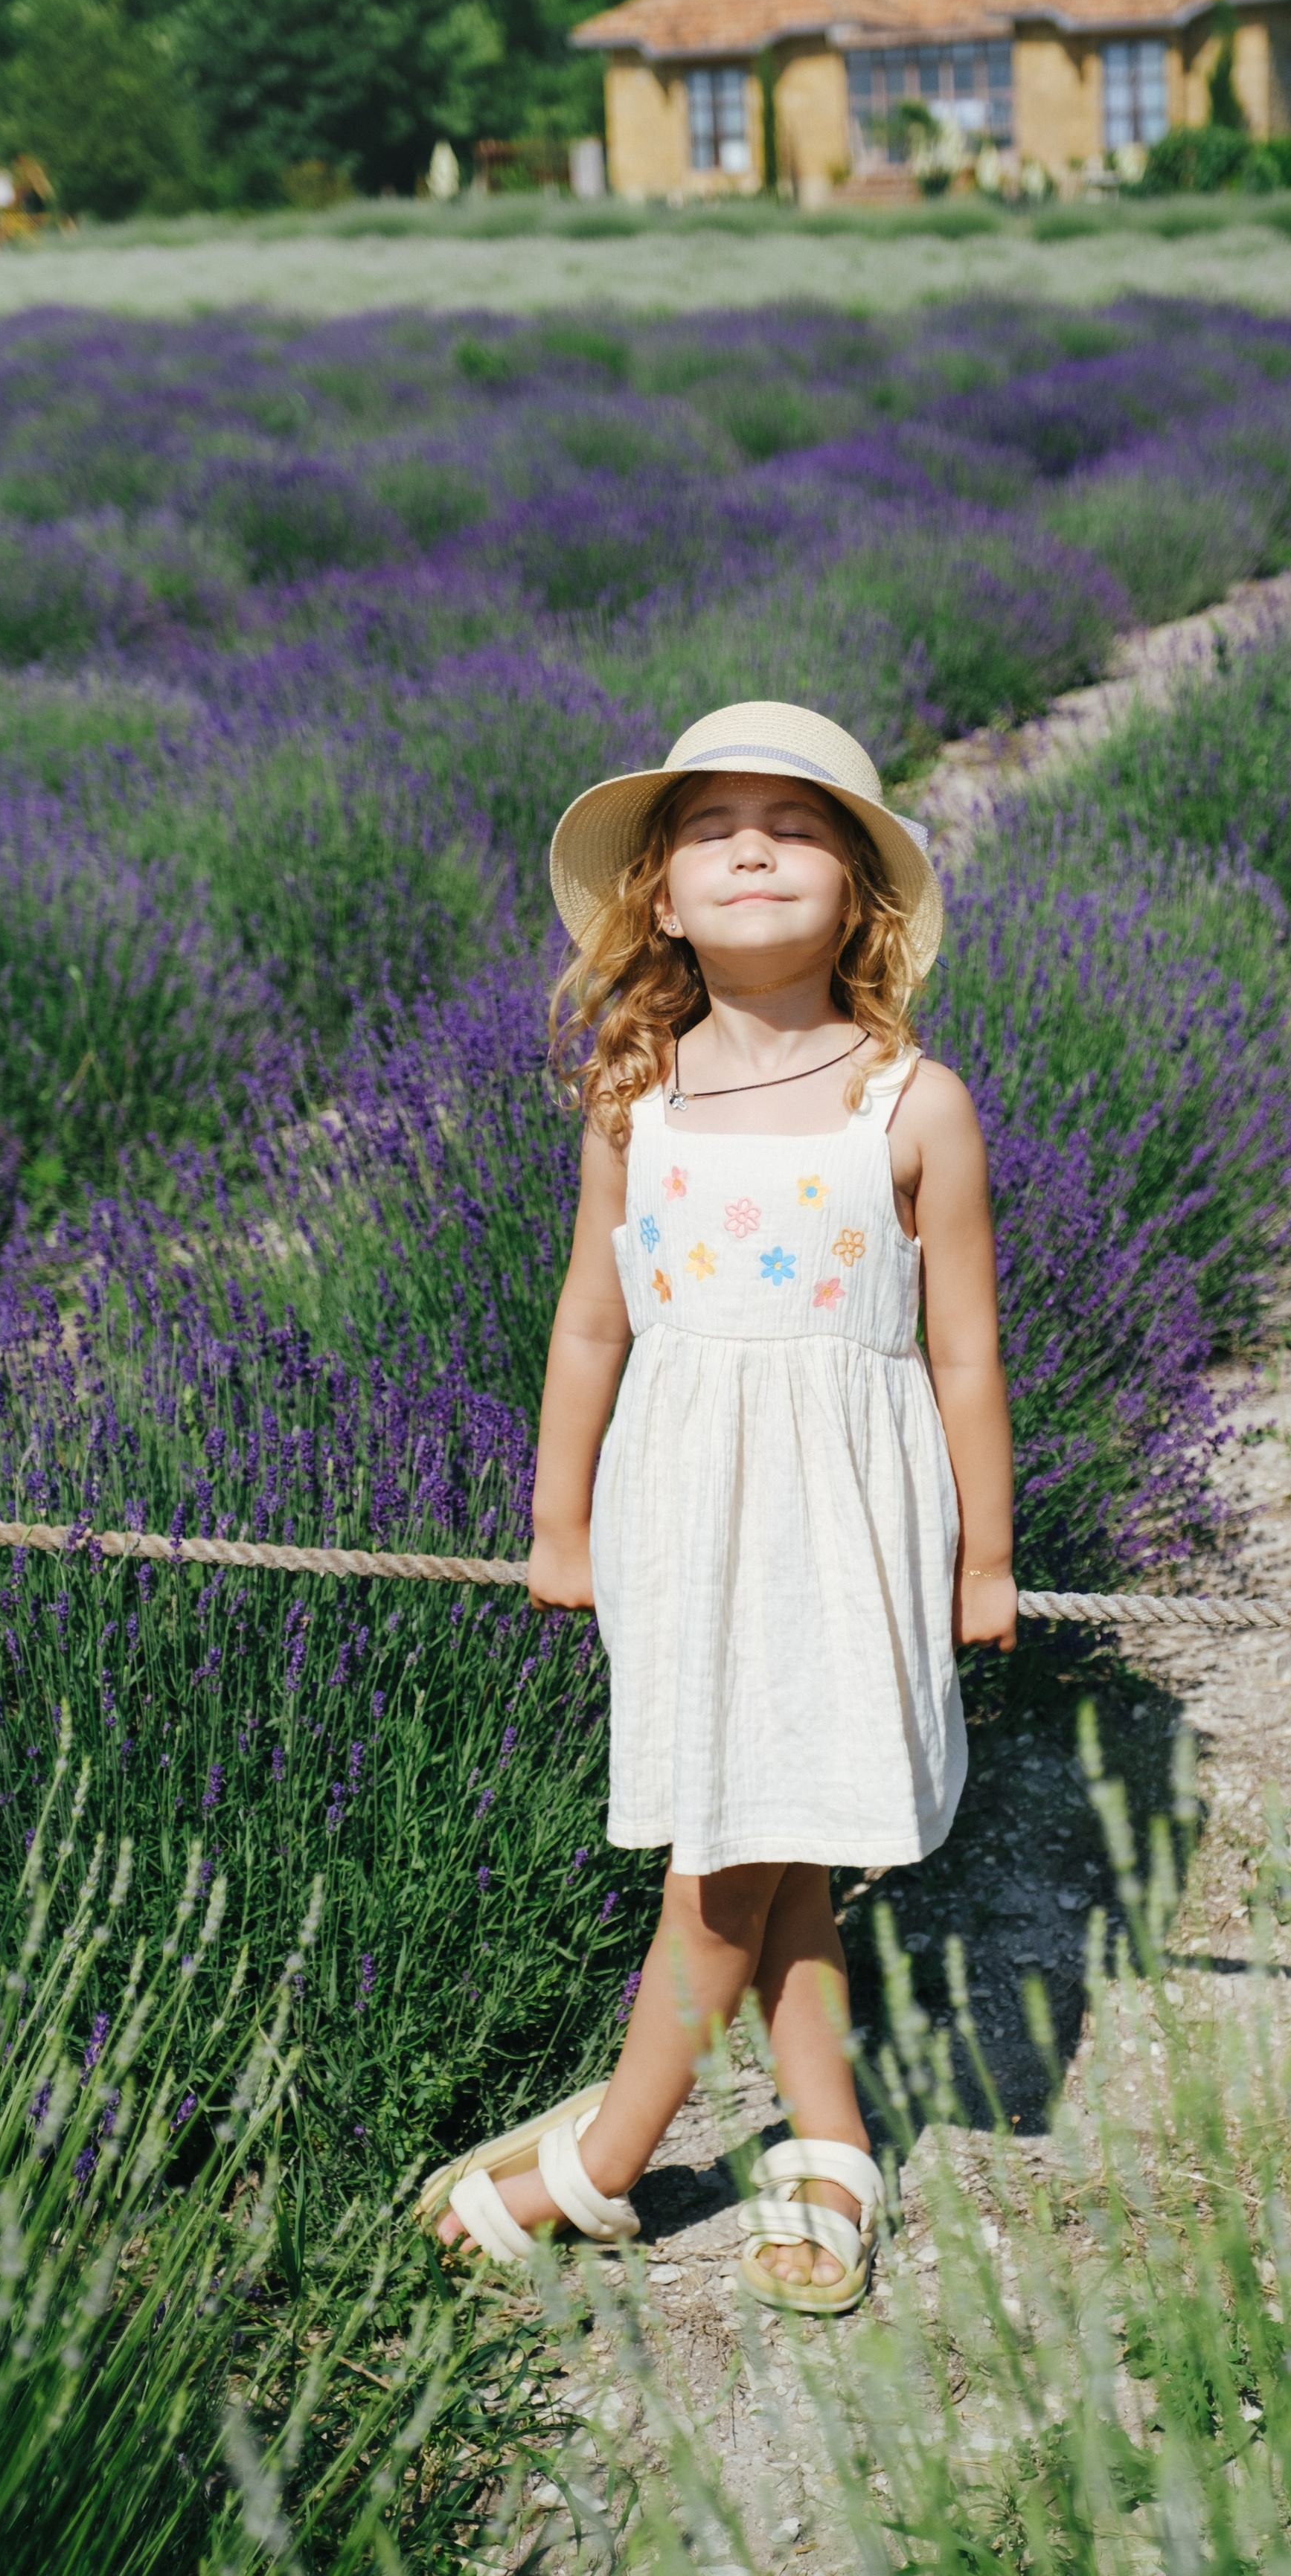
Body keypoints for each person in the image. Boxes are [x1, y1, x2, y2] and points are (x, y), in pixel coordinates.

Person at [417, 701, 1016, 2313]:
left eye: (799, 822)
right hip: (681, 1504)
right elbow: (589, 1324)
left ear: (860, 901)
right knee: (767, 1828)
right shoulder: (639, 1104)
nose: (753, 844)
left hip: (840, 1514)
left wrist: (986, 1552)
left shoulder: (911, 1103)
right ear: (662, 899)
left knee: (731, 1845)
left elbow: (962, 1347)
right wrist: (558, 1520)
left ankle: (612, 2152)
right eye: (711, 824)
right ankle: (828, 2137)